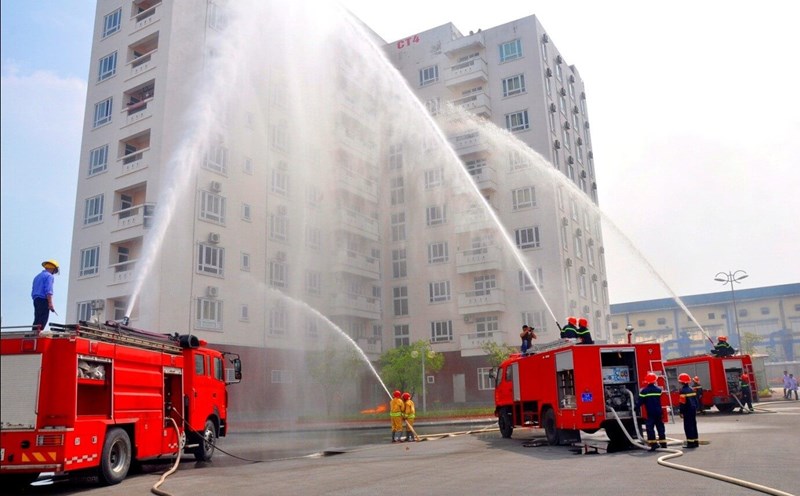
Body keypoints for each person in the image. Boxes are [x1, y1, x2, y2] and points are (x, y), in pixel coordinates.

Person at [636, 372, 666, 451]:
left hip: (650, 412)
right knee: (660, 427)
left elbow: (640, 402)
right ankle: (663, 444)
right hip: (659, 412)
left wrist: (635, 408)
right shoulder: (659, 390)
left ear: (647, 381)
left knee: (650, 428)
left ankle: (653, 444)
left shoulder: (644, 391)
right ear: (655, 380)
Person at [32, 259, 59, 331]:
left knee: (37, 318)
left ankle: (33, 333)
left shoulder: (37, 276)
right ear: (52, 268)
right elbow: (49, 290)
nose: (54, 272)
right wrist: (50, 303)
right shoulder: (49, 276)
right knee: (43, 319)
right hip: (43, 299)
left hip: (36, 299)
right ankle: (38, 332)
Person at [678, 373, 699, 448]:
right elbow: (696, 400)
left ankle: (690, 443)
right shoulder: (691, 389)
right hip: (693, 409)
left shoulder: (682, 391)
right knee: (693, 425)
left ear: (681, 382)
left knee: (688, 426)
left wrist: (681, 412)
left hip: (687, 410)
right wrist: (696, 408)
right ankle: (696, 442)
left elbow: (682, 403)